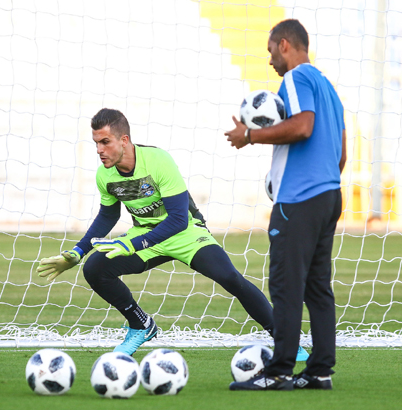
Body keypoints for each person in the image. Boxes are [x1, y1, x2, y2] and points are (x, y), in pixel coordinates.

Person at [37, 108, 274, 356]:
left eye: (105, 142)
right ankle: (141, 325)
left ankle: (283, 338)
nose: (99, 150)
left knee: (231, 279)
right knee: (95, 268)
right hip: (144, 235)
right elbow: (108, 215)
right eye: (96, 143)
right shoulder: (104, 175)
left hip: (185, 233)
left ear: (124, 140)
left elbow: (179, 219)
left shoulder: (158, 161)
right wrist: (77, 252)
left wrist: (134, 245)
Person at [225, 19, 346, 390]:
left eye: (271, 51)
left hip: (300, 199)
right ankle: (320, 371)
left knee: (285, 286)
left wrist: (251, 135)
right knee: (317, 288)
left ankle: (278, 373)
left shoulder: (295, 79)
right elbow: (341, 154)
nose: (271, 61)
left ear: (285, 45)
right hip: (329, 195)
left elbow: (303, 126)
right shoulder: (330, 88)